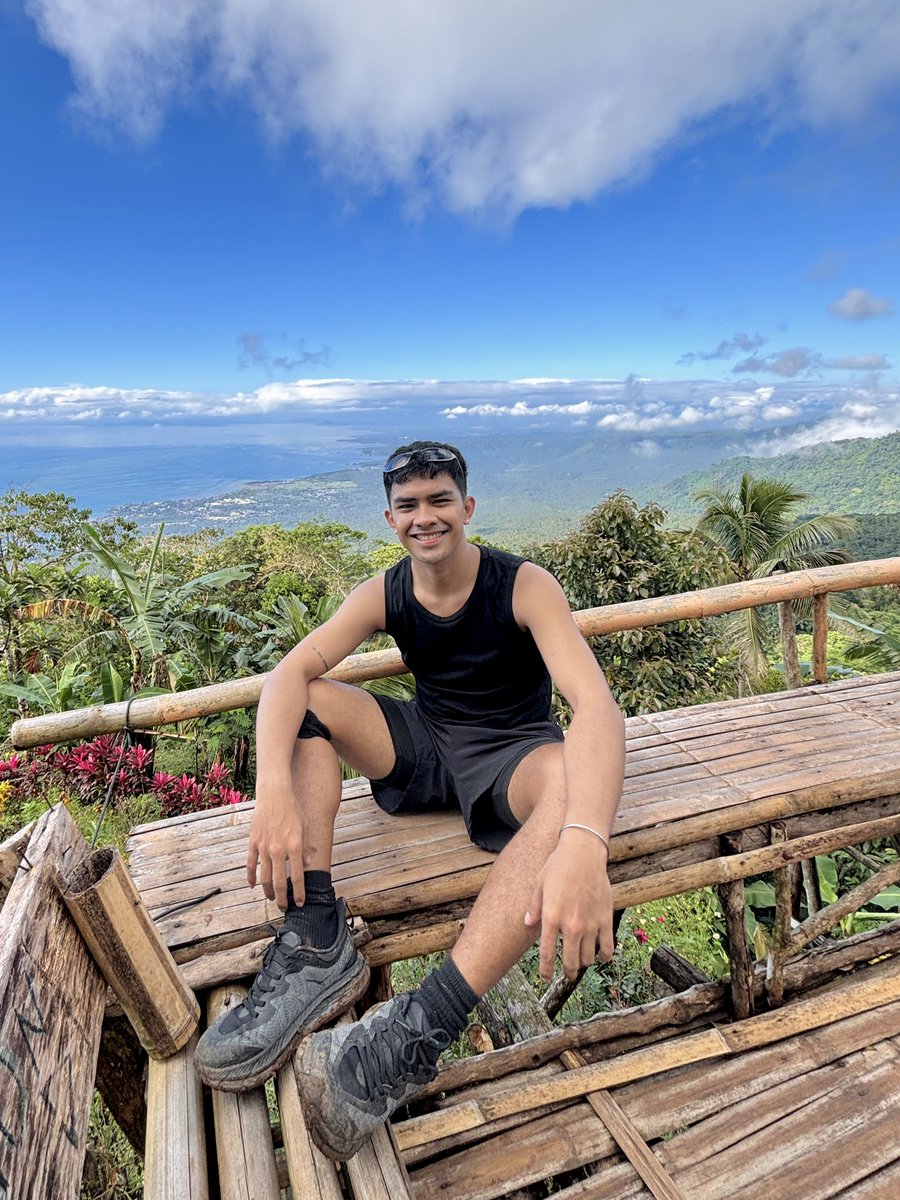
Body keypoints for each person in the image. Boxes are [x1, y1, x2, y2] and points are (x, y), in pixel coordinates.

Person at [194, 440, 625, 1161]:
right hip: (425, 744)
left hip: (512, 753)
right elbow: (288, 674)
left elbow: (596, 708)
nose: (426, 518)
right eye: (409, 506)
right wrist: (271, 789)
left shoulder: (524, 586)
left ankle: (419, 1028)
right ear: (391, 518)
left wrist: (585, 841)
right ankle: (315, 935)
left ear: (467, 508)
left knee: (567, 785)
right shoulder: (386, 591)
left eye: (439, 501)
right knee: (312, 699)